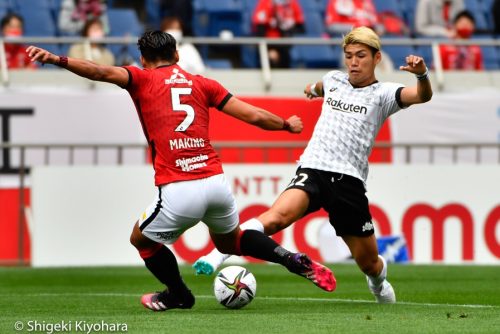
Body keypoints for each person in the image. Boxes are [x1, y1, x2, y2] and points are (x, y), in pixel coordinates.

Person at [26, 30, 336, 311]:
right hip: (216, 183)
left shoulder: (141, 78)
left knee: (141, 240)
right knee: (232, 241)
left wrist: (57, 59)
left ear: (143, 59)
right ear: (177, 55)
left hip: (179, 188)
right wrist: (285, 125)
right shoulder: (204, 84)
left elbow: (101, 71)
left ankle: (178, 294)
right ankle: (291, 258)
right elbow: (253, 115)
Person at [193, 26, 433, 304]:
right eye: (349, 56)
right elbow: (319, 87)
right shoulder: (333, 79)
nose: (354, 62)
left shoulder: (384, 94)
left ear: (377, 58)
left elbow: (422, 96)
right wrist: (312, 90)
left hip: (349, 182)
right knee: (275, 217)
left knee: (369, 263)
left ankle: (378, 283)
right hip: (314, 168)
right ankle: (219, 254)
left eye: (361, 56)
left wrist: (421, 75)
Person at [252, 0, 305, 68]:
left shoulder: (292, 2)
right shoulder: (265, 2)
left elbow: (300, 27)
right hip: (270, 43)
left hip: (287, 45)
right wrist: (268, 49)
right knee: (270, 60)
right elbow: (260, 29)